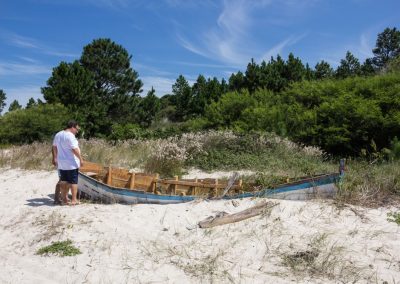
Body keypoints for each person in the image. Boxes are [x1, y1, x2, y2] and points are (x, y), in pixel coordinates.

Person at [52, 120, 83, 205]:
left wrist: (55, 157)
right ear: (72, 127)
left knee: (63, 181)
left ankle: (64, 200)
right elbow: (74, 149)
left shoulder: (58, 134)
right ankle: (74, 200)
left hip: (61, 163)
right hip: (71, 163)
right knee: (73, 182)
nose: (77, 131)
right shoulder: (70, 136)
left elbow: (54, 146)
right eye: (77, 129)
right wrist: (81, 159)